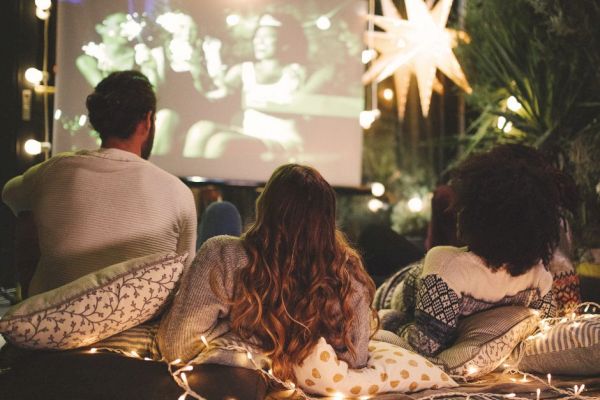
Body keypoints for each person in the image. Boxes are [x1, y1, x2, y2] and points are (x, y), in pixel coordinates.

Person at [157, 164, 377, 382]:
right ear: (328, 221)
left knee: (221, 212)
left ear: (263, 207)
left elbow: (176, 347)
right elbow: (356, 360)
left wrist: (236, 333)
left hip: (232, 375)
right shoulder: (348, 273)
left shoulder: (223, 255)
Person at [2, 70, 197, 297]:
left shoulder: (52, 171)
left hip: (53, 322)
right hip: (140, 326)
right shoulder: (178, 192)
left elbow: (9, 193)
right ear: (146, 121)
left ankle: (26, 301)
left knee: (29, 212)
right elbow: (185, 284)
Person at [376, 144, 574, 356]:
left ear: (476, 214)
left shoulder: (448, 267)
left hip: (388, 292)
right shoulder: (539, 277)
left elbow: (425, 345)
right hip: (417, 273)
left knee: (375, 234)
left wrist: (386, 320)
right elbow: (548, 330)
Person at [183, 13, 311, 161]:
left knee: (219, 142)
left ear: (284, 42)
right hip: (248, 133)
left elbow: (311, 101)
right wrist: (197, 70)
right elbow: (216, 93)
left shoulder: (297, 71)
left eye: (268, 37)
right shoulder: (243, 69)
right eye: (257, 37)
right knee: (200, 129)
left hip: (282, 138)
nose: (259, 42)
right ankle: (185, 183)